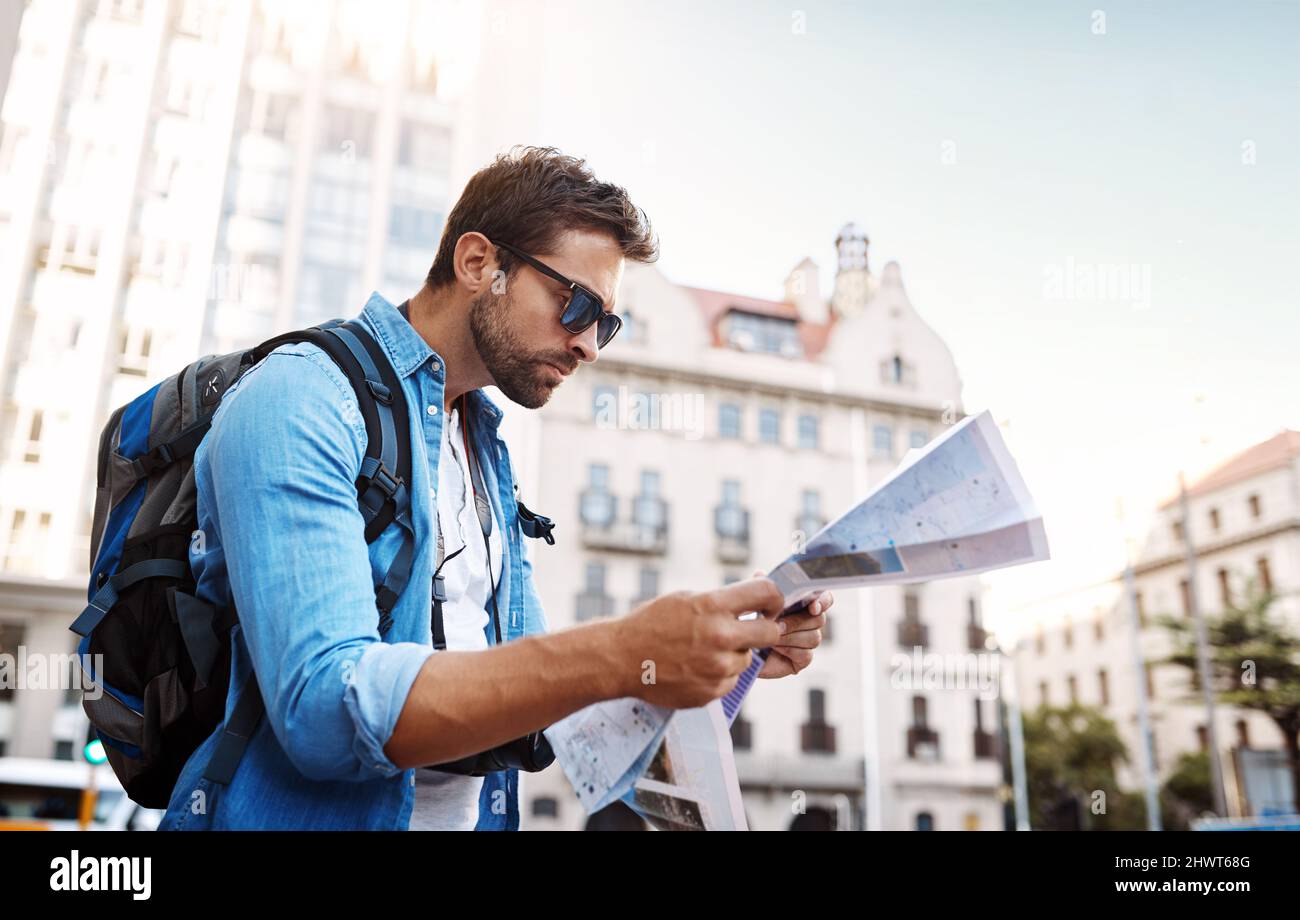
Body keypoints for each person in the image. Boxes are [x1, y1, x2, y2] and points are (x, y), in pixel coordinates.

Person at [158, 146, 832, 831]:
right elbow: (325, 711)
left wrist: (708, 653)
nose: (590, 345)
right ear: (479, 263)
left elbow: (546, 719)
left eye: (607, 323)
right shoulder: (301, 397)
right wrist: (622, 650)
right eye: (576, 305)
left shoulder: (486, 452)